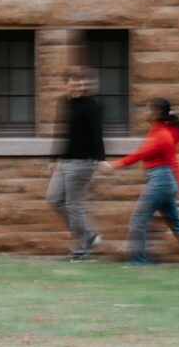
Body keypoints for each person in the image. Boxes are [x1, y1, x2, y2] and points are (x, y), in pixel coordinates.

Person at [99, 98, 179, 268]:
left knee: (138, 220)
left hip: (161, 181)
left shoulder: (162, 135)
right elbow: (143, 155)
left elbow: (169, 162)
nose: (144, 112)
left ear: (156, 114)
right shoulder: (156, 133)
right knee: (177, 224)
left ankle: (138, 262)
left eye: (147, 109)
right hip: (162, 181)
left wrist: (114, 165)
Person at [47, 66, 105, 262]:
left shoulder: (91, 105)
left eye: (82, 83)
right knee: (54, 199)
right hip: (64, 161)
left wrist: (100, 159)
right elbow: (60, 131)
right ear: (66, 84)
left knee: (74, 206)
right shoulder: (63, 101)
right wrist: (53, 159)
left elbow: (97, 133)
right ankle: (88, 235)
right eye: (75, 83)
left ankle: (79, 252)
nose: (80, 87)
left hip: (82, 162)